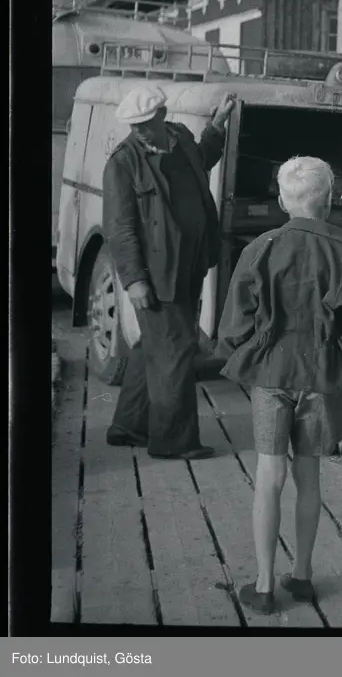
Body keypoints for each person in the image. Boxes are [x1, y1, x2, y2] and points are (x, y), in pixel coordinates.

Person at [216, 156, 342, 616]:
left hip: (271, 374)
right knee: (309, 477)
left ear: (283, 200)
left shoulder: (260, 248)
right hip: (321, 377)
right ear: (330, 199)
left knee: (269, 477)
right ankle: (302, 576)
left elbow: (234, 326)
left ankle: (264, 586)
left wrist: (247, 348)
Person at [103, 84, 236, 459]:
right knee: (175, 350)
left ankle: (129, 425)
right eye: (135, 126)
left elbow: (202, 159)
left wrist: (217, 125)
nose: (141, 131)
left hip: (191, 264)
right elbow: (120, 228)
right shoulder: (123, 162)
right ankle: (174, 443)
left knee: (155, 345)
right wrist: (134, 280)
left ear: (162, 115)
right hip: (157, 274)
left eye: (147, 123)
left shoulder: (180, 138)